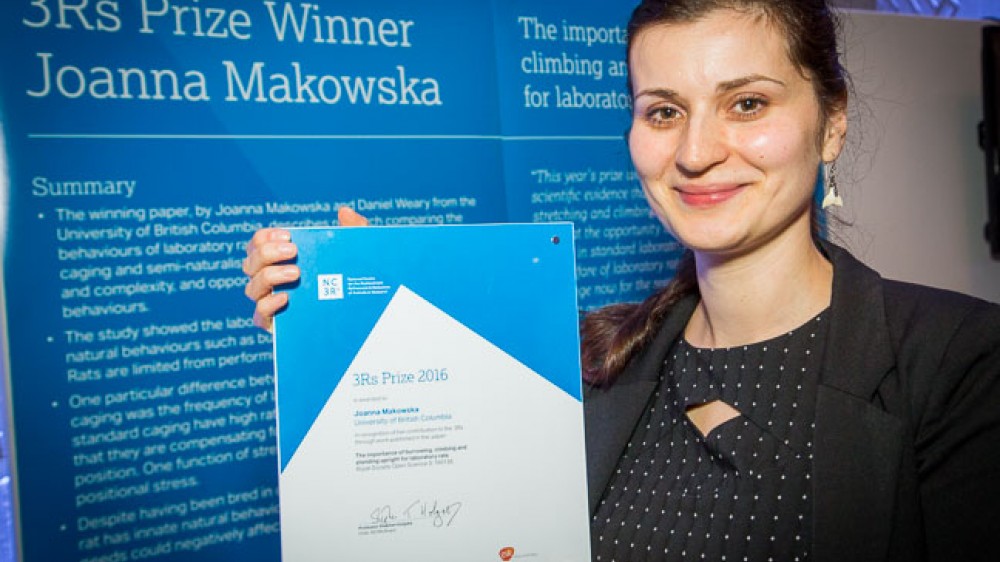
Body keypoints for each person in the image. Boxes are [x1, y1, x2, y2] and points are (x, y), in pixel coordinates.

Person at [243, 0, 1000, 560]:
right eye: (664, 110)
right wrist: (349, 340)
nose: (697, 151)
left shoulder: (958, 361)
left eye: (747, 103)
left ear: (831, 121)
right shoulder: (588, 363)